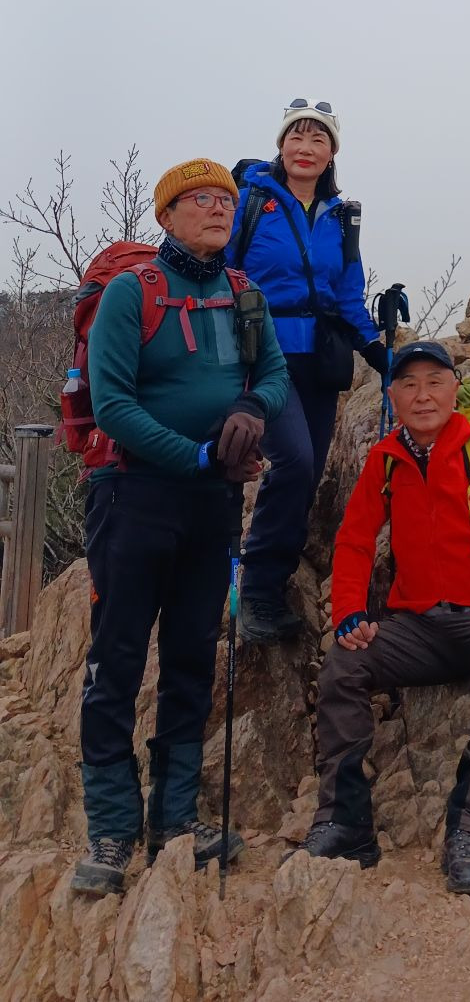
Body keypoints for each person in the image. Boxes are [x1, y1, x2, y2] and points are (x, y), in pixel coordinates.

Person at [72, 158, 290, 897]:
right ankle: (111, 830)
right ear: (166, 216)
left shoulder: (243, 292)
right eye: (199, 200)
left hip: (210, 505)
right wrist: (197, 456)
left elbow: (275, 376)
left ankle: (174, 820)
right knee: (117, 659)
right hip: (133, 496)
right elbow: (112, 405)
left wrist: (251, 411)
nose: (217, 209)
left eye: (225, 199)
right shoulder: (133, 292)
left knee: (193, 656)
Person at [304, 340, 470, 895]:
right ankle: (345, 821)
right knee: (344, 664)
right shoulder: (385, 459)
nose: (422, 396)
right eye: (409, 384)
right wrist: (349, 613)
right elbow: (354, 540)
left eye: (435, 382)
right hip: (417, 627)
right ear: (392, 396)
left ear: (453, 391)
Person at [228, 98, 388, 643]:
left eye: (318, 138)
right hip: (263, 353)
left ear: (331, 153)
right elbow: (221, 270)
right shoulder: (251, 202)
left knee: (309, 470)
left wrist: (378, 350)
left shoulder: (340, 218)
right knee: (293, 461)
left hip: (319, 358)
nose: (305, 147)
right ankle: (257, 591)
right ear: (280, 146)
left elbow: (347, 295)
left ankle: (274, 585)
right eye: (296, 136)